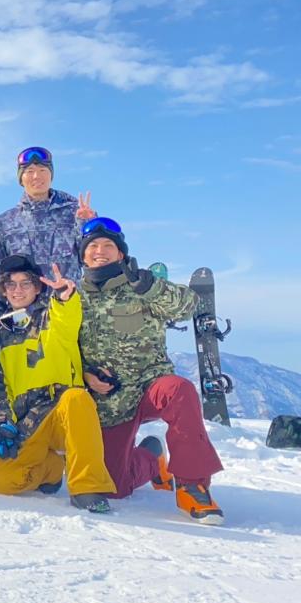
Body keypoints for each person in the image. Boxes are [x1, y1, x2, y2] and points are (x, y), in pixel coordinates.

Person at [77, 217, 225, 525]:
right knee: (116, 487)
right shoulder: (73, 296)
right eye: (93, 246)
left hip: (149, 388)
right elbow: (63, 347)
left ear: (121, 254)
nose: (100, 251)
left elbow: (188, 305)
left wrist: (150, 287)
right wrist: (85, 374)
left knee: (179, 390)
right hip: (109, 403)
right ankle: (152, 457)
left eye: (108, 246)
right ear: (82, 255)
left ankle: (192, 485)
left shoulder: (142, 286)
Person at [0, 255, 115, 514]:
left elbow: (66, 315)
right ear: (4, 291)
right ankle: (51, 468)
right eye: (11, 285)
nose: (18, 290)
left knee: (77, 398)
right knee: (2, 482)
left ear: (38, 287)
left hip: (63, 412)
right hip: (30, 420)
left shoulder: (52, 317)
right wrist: (2, 423)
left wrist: (65, 295)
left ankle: (86, 488)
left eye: (25, 284)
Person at [0, 146, 96, 318]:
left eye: (43, 170)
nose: (37, 176)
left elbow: (91, 259)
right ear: (21, 178)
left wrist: (88, 224)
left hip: (69, 311)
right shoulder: (5, 221)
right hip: (25, 318)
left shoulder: (75, 211)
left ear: (51, 174)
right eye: (29, 171)